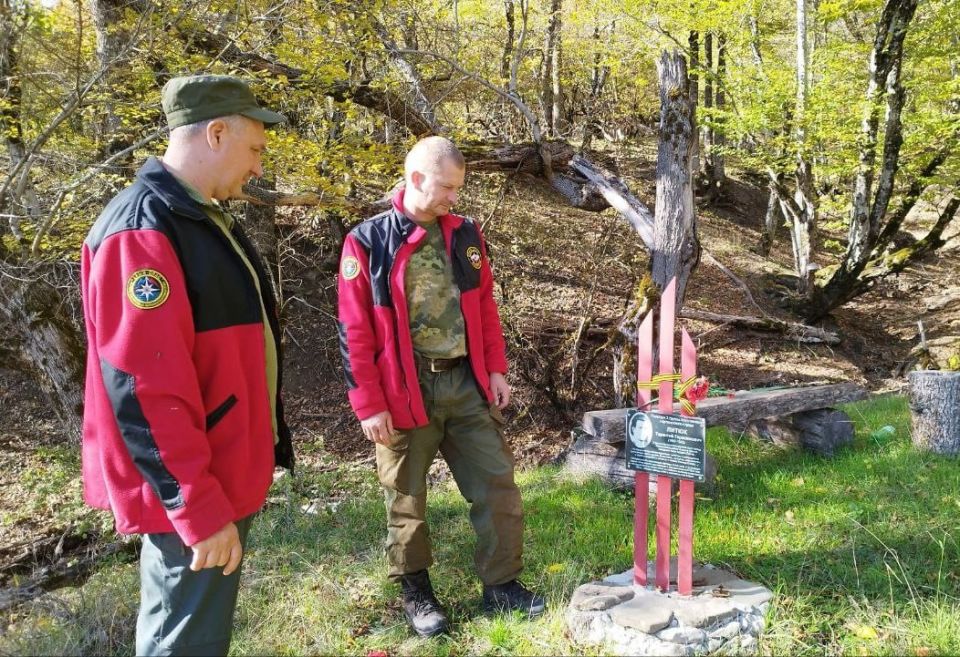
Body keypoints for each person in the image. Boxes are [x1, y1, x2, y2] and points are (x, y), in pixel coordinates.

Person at [80, 74, 294, 656]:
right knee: (183, 641)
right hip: (194, 492)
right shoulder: (143, 231)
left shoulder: (200, 217)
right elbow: (144, 388)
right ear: (216, 133)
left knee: (199, 634)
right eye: (255, 149)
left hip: (216, 476)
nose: (257, 167)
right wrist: (195, 506)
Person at [337, 136, 545, 637]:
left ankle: (502, 586)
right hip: (404, 393)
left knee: (497, 484)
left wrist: (496, 368)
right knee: (405, 498)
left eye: (459, 188)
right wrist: (367, 404)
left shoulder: (465, 234)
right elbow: (353, 330)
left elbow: (485, 305)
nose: (454, 197)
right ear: (415, 179)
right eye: (447, 187)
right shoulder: (367, 241)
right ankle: (417, 594)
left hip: (467, 384)